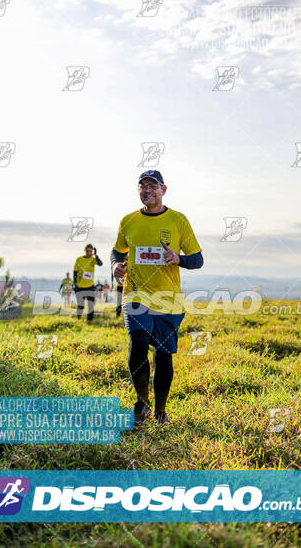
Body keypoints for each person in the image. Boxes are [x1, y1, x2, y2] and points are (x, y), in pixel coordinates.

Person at [111, 170, 203, 426]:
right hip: (135, 294)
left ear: (164, 190)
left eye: (153, 186)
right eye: (142, 186)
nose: (147, 190)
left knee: (163, 355)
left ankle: (161, 411)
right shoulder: (128, 221)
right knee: (138, 343)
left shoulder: (178, 220)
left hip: (168, 300)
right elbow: (117, 252)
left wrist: (178, 259)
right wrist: (115, 267)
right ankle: (142, 404)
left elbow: (197, 260)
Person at [73, 244, 103, 324]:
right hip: (80, 286)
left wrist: (96, 255)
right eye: (87, 251)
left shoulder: (93, 260)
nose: (89, 253)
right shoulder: (79, 259)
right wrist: (75, 283)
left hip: (90, 286)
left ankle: (89, 322)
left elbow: (100, 264)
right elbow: (75, 272)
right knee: (81, 305)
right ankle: (79, 319)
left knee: (91, 305)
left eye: (91, 251)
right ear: (85, 250)